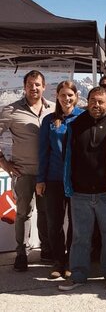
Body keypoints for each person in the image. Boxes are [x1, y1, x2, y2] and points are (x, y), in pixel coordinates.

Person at [58, 87, 106, 291]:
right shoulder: (75, 125)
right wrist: (68, 184)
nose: (97, 105)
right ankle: (77, 275)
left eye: (101, 102)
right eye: (93, 101)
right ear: (86, 101)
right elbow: (67, 157)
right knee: (80, 237)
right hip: (80, 193)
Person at [0, 70, 54, 272]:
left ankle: (47, 249)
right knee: (23, 213)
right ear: (24, 87)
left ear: (44, 86)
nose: (34, 88)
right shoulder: (11, 111)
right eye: (30, 84)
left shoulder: (53, 109)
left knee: (47, 213)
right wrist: (3, 163)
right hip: (24, 173)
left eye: (38, 84)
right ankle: (21, 253)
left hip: (48, 173)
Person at [36, 81, 84, 279]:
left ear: (76, 96)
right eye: (63, 95)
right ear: (57, 96)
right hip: (54, 178)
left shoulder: (83, 117)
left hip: (77, 180)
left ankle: (72, 261)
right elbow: (43, 152)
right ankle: (58, 261)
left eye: (70, 95)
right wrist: (41, 179)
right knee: (54, 223)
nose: (67, 99)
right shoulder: (49, 121)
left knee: (76, 223)